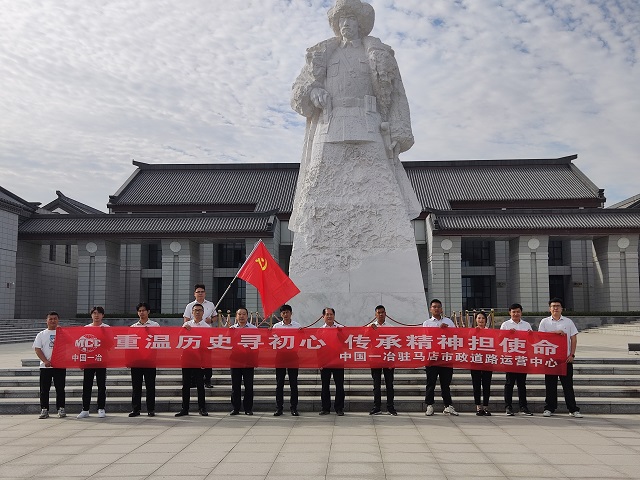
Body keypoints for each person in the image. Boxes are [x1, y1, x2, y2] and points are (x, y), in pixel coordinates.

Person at [288, 0, 428, 322]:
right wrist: (313, 94)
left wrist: (398, 129)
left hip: (368, 124)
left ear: (361, 24)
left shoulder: (379, 53)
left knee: (382, 193)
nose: (347, 24)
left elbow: (398, 95)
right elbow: (298, 92)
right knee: (319, 197)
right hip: (330, 126)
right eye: (342, 19)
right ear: (336, 24)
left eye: (352, 19)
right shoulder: (321, 53)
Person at [538, 298, 583, 418]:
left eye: (558, 306)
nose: (555, 308)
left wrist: (572, 354)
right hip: (550, 360)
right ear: (549, 309)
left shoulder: (568, 322)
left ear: (562, 308)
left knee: (568, 385)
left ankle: (573, 409)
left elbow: (573, 339)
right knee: (550, 385)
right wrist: (555, 333)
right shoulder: (544, 322)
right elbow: (540, 338)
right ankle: (549, 408)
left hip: (565, 360)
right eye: (553, 306)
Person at [423, 299, 458, 416]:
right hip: (432, 357)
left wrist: (446, 330)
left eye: (438, 307)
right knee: (430, 382)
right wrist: (439, 331)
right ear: (430, 309)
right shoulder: (427, 323)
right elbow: (425, 339)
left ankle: (448, 405)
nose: (436, 309)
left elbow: (456, 337)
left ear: (441, 309)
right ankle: (429, 405)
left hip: (446, 357)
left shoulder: (449, 322)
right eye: (434, 307)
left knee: (445, 383)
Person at [175, 303, 211, 417]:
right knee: (186, 385)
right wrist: (184, 330)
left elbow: (208, 345)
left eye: (200, 310)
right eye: (195, 310)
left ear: (203, 312)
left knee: (200, 385)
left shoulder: (206, 327)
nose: (197, 312)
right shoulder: (187, 324)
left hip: (199, 358)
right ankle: (184, 408)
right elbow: (178, 340)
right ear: (192, 312)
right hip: (187, 357)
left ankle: (202, 408)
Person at [500, 303, 533, 416]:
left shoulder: (526, 325)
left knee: (522, 383)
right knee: (509, 383)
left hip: (522, 358)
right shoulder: (505, 325)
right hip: (510, 357)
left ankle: (523, 407)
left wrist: (531, 335)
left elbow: (532, 341)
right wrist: (508, 334)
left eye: (518, 311)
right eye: (513, 312)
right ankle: (508, 406)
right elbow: (499, 340)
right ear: (510, 312)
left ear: (521, 312)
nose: (516, 314)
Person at [77, 306, 109, 419]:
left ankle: (101, 408)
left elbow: (111, 345)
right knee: (87, 385)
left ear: (103, 315)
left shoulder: (107, 328)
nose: (96, 315)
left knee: (101, 385)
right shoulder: (86, 328)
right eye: (94, 313)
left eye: (99, 313)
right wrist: (81, 361)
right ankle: (85, 409)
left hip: (101, 360)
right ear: (91, 315)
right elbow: (81, 345)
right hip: (88, 361)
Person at [128, 302, 160, 417]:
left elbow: (159, 341)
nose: (142, 313)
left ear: (148, 312)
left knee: (150, 385)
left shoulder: (155, 325)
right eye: (140, 311)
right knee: (136, 386)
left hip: (150, 360)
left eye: (143, 310)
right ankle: (136, 409)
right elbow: (129, 345)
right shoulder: (133, 327)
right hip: (136, 361)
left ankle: (151, 409)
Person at [183, 284, 217, 388]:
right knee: (193, 359)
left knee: (207, 358)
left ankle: (207, 380)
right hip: (193, 338)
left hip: (206, 336)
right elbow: (186, 319)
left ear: (205, 293)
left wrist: (210, 320)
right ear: (194, 294)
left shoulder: (210, 304)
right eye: (198, 292)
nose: (200, 293)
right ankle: (193, 381)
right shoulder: (190, 306)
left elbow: (215, 317)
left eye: (202, 291)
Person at [33, 311, 66, 419]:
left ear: (58, 320)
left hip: (59, 366)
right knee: (44, 389)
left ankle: (61, 408)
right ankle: (44, 409)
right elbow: (37, 349)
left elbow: (70, 347)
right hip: (45, 366)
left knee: (60, 388)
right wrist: (45, 361)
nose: (53, 321)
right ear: (46, 320)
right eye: (50, 319)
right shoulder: (41, 334)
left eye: (55, 319)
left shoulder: (63, 333)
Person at [272, 304, 302, 417]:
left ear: (291, 313)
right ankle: (279, 408)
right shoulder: (276, 327)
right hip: (280, 356)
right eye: (283, 312)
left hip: (293, 356)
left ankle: (294, 408)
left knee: (293, 384)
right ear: (281, 314)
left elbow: (300, 341)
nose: (285, 314)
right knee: (279, 384)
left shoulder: (297, 326)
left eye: (287, 312)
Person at [367, 305, 396, 416]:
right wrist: (370, 330)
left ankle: (390, 407)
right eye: (378, 312)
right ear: (375, 314)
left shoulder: (390, 327)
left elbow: (394, 344)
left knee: (389, 385)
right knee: (376, 385)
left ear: (385, 314)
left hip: (388, 358)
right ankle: (376, 407)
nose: (380, 314)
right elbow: (364, 340)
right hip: (375, 358)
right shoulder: (370, 326)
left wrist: (392, 359)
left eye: (382, 312)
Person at [230, 307, 258, 416]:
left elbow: (256, 346)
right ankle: (236, 408)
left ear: (247, 316)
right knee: (235, 386)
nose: (241, 316)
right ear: (236, 316)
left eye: (244, 314)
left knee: (249, 386)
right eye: (239, 314)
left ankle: (248, 408)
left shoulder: (253, 329)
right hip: (235, 360)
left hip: (248, 360)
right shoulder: (231, 329)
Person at [319, 307, 345, 416]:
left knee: (339, 385)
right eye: (327, 314)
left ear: (334, 316)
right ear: (323, 317)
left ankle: (339, 408)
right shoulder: (320, 330)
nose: (329, 316)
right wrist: (319, 362)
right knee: (325, 386)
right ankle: (325, 408)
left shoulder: (341, 328)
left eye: (331, 314)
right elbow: (317, 347)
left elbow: (346, 342)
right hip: (325, 361)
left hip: (338, 360)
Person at [470, 311, 492, 416]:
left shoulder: (490, 332)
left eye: (483, 318)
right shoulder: (472, 331)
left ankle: (486, 406)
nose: (481, 320)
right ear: (476, 320)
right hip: (475, 360)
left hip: (487, 360)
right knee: (476, 384)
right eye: (479, 318)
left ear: (486, 320)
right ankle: (478, 406)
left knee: (487, 384)